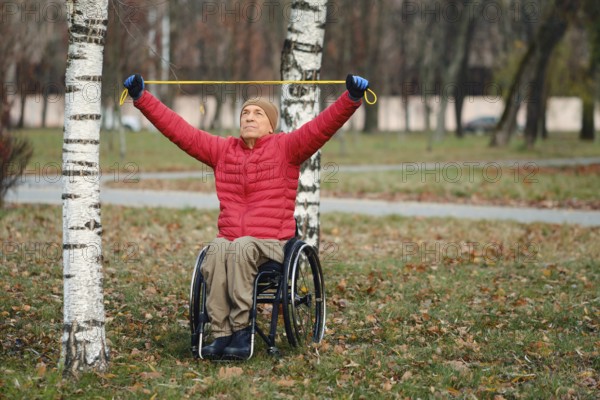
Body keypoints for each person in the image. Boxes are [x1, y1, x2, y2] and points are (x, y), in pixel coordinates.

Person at [123, 73, 369, 360]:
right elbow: (180, 131)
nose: (249, 118)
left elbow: (321, 128)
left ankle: (242, 331)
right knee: (216, 249)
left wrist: (350, 99)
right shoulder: (223, 151)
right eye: (245, 113)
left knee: (240, 247)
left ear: (270, 125)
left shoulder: (286, 148)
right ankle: (221, 333)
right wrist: (142, 99)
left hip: (271, 244)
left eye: (258, 114)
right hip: (231, 242)